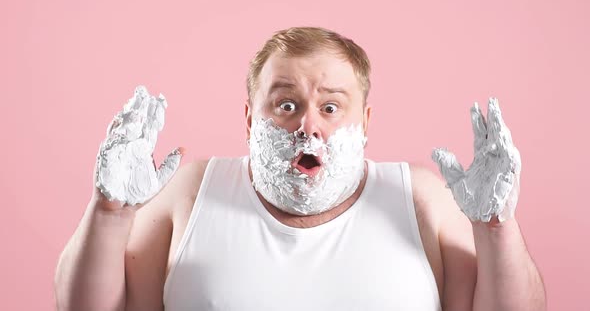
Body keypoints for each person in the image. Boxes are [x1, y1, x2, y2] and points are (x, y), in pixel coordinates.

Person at [54, 27, 546, 310]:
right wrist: (110, 214)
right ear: (250, 117)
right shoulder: (191, 191)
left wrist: (496, 227)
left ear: (366, 121)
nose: (308, 126)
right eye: (286, 105)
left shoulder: (420, 198)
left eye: (331, 107)